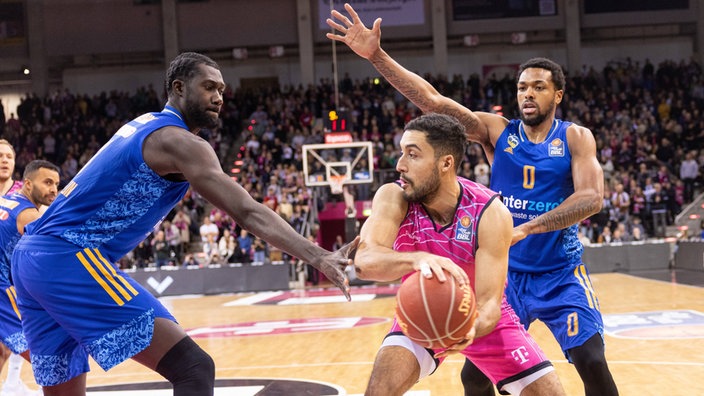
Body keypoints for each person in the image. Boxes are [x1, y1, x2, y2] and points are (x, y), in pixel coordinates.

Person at [11, 52, 356, 396]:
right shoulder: (179, 140)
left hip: (29, 261)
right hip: (67, 255)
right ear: (178, 87)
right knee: (193, 367)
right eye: (208, 87)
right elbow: (246, 212)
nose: (219, 97)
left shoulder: (145, 123)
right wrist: (318, 256)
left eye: (221, 89)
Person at [327, 5, 618, 395]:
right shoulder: (498, 132)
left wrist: (528, 227)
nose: (528, 94)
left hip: (557, 271)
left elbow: (592, 198)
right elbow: (433, 104)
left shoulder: (574, 138)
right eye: (522, 87)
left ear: (558, 94)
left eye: (539, 87)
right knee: (473, 377)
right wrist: (377, 56)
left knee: (592, 360)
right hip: (504, 273)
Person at [352, 113, 565, 395]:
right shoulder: (394, 197)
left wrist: (464, 329)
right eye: (402, 153)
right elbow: (364, 262)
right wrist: (416, 258)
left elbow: (490, 305)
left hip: (481, 321)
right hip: (421, 313)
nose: (400, 165)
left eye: (412, 155)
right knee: (379, 390)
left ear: (446, 163)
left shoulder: (489, 212)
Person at [0, 160, 59, 396]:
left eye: (56, 183)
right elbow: (52, 257)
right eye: (47, 182)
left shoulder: (8, 200)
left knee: (2, 349)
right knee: (47, 353)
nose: (54, 189)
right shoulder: (29, 214)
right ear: (26, 184)